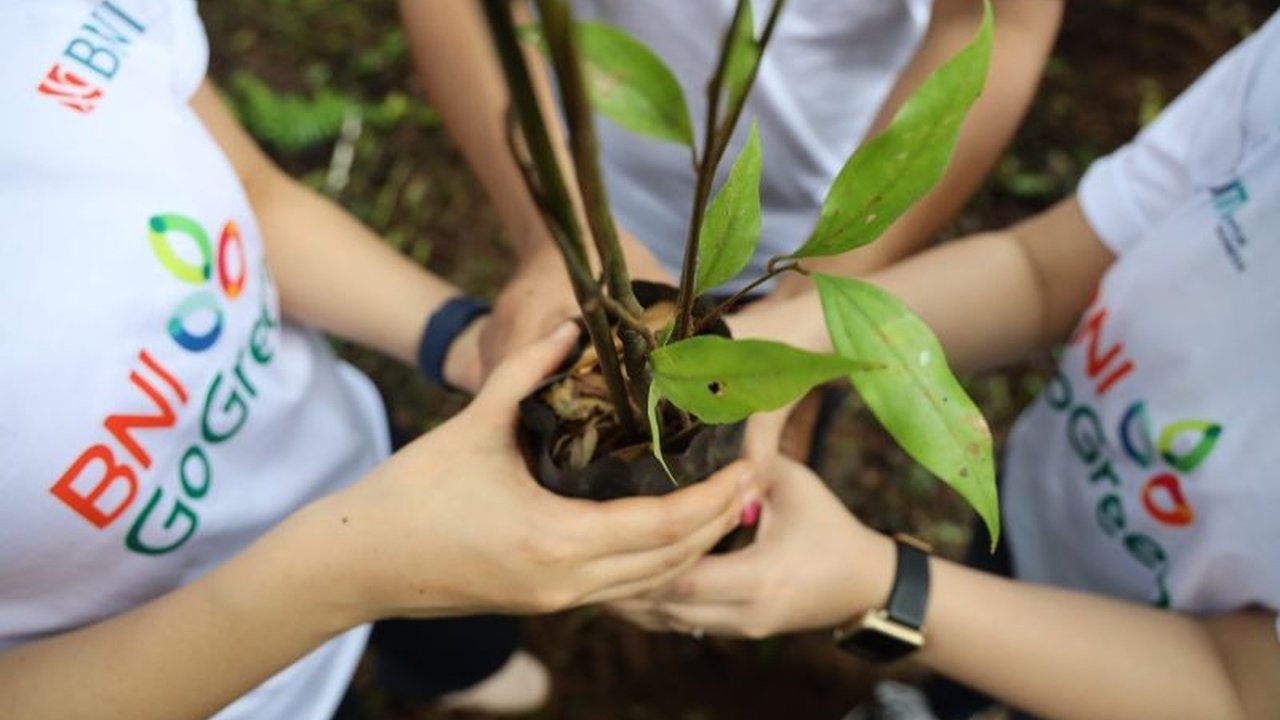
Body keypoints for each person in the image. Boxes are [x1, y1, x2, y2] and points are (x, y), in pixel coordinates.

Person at [0, 2, 758, 718]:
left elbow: (255, 198)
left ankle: (465, 669)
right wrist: (351, 575)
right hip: (217, 694)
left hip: (352, 457)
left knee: (461, 638)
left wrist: (464, 342)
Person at [613, 9, 1280, 720]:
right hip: (1047, 505)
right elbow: (1042, 270)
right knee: (965, 675)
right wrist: (788, 340)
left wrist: (884, 587)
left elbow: (1243, 690)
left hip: (1186, 678)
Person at [399, 0, 1064, 379]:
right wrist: (553, 227)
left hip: (813, 247)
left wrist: (818, 297)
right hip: (577, 197)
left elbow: (997, 22)